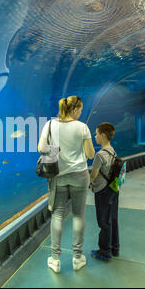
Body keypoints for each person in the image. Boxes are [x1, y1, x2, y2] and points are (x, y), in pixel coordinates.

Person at [38, 95, 95, 273]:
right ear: (75, 109)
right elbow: (90, 154)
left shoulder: (50, 125)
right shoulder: (82, 127)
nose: (81, 112)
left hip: (59, 175)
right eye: (80, 109)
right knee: (78, 215)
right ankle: (77, 258)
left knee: (57, 215)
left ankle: (55, 260)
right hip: (79, 175)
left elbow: (41, 148)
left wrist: (57, 149)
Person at [89, 122, 119, 261]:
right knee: (112, 219)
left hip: (102, 192)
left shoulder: (100, 155)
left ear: (102, 135)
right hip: (113, 190)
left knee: (103, 222)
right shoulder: (113, 151)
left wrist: (89, 182)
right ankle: (114, 247)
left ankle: (104, 251)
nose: (95, 137)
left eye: (96, 134)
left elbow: (94, 175)